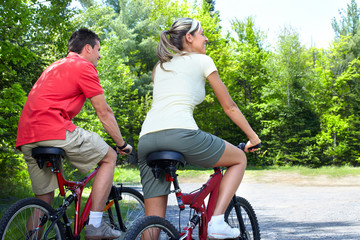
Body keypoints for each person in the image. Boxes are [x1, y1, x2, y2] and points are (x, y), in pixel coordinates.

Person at [137, 18, 261, 239]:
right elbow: (230, 106)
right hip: (180, 134)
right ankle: (216, 222)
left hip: (146, 139)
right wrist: (253, 137)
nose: (206, 39)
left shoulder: (160, 66)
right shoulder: (203, 61)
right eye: (202, 33)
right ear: (189, 37)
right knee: (239, 159)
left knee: (152, 224)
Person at [16, 28, 132, 239]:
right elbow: (104, 112)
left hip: (27, 136)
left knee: (43, 200)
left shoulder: (54, 66)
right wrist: (122, 144)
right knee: (109, 157)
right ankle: (95, 225)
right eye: (98, 49)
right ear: (88, 48)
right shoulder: (84, 66)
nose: (99, 55)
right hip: (53, 130)